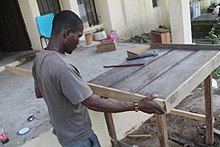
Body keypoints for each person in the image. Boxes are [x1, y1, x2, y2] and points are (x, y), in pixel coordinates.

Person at [32, 10, 166, 147]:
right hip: (79, 138)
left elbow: (39, 92)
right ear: (67, 33)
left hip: (63, 134)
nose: (79, 42)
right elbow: (92, 103)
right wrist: (137, 105)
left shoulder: (39, 58)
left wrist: (72, 89)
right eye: (78, 36)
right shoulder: (62, 67)